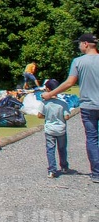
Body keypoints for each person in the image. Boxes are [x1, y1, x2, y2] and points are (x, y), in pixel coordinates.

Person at [42, 33, 99, 182]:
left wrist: (50, 95)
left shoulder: (78, 62)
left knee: (92, 139)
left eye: (79, 44)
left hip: (88, 106)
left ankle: (96, 173)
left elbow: (69, 83)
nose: (79, 47)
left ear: (85, 44)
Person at [37, 78, 72, 178]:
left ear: (48, 89)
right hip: (61, 129)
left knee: (50, 149)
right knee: (62, 148)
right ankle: (64, 166)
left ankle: (52, 170)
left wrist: (47, 116)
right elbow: (66, 116)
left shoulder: (44, 103)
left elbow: (39, 115)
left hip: (49, 129)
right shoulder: (63, 103)